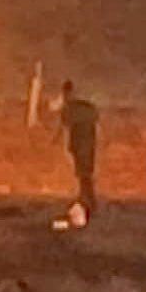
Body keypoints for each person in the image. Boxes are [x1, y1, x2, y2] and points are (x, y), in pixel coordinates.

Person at [56, 81, 98, 218]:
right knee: (84, 173)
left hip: (82, 144)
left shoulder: (73, 108)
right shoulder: (83, 108)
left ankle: (88, 198)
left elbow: (63, 126)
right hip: (85, 143)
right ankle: (87, 198)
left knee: (83, 174)